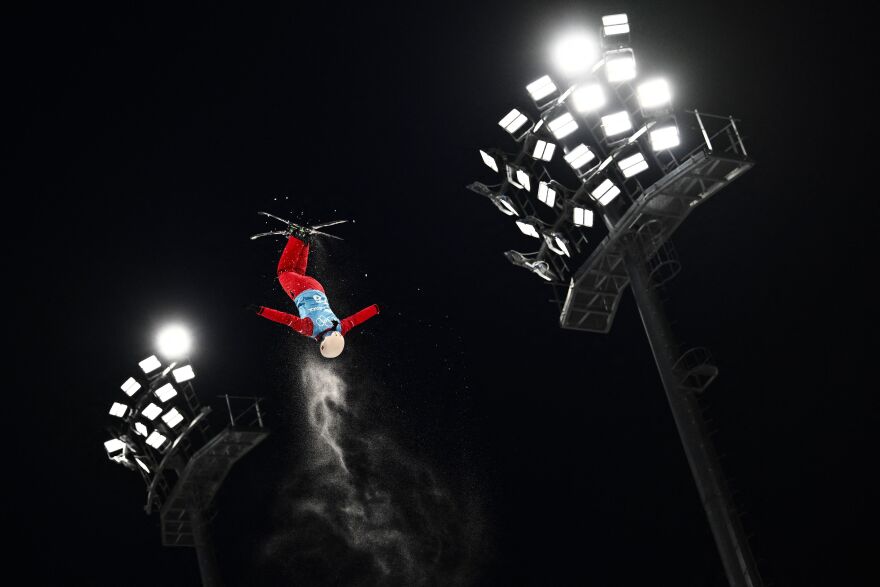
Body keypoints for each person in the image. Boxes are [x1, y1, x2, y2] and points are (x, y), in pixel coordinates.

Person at [248, 225, 379, 358]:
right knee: (284, 271)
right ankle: (297, 236)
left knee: (297, 273)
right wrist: (261, 310)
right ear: (323, 343)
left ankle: (304, 241)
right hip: (301, 290)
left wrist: (376, 309)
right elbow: (286, 319)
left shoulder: (340, 328)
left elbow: (356, 319)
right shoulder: (310, 329)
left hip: (317, 288)